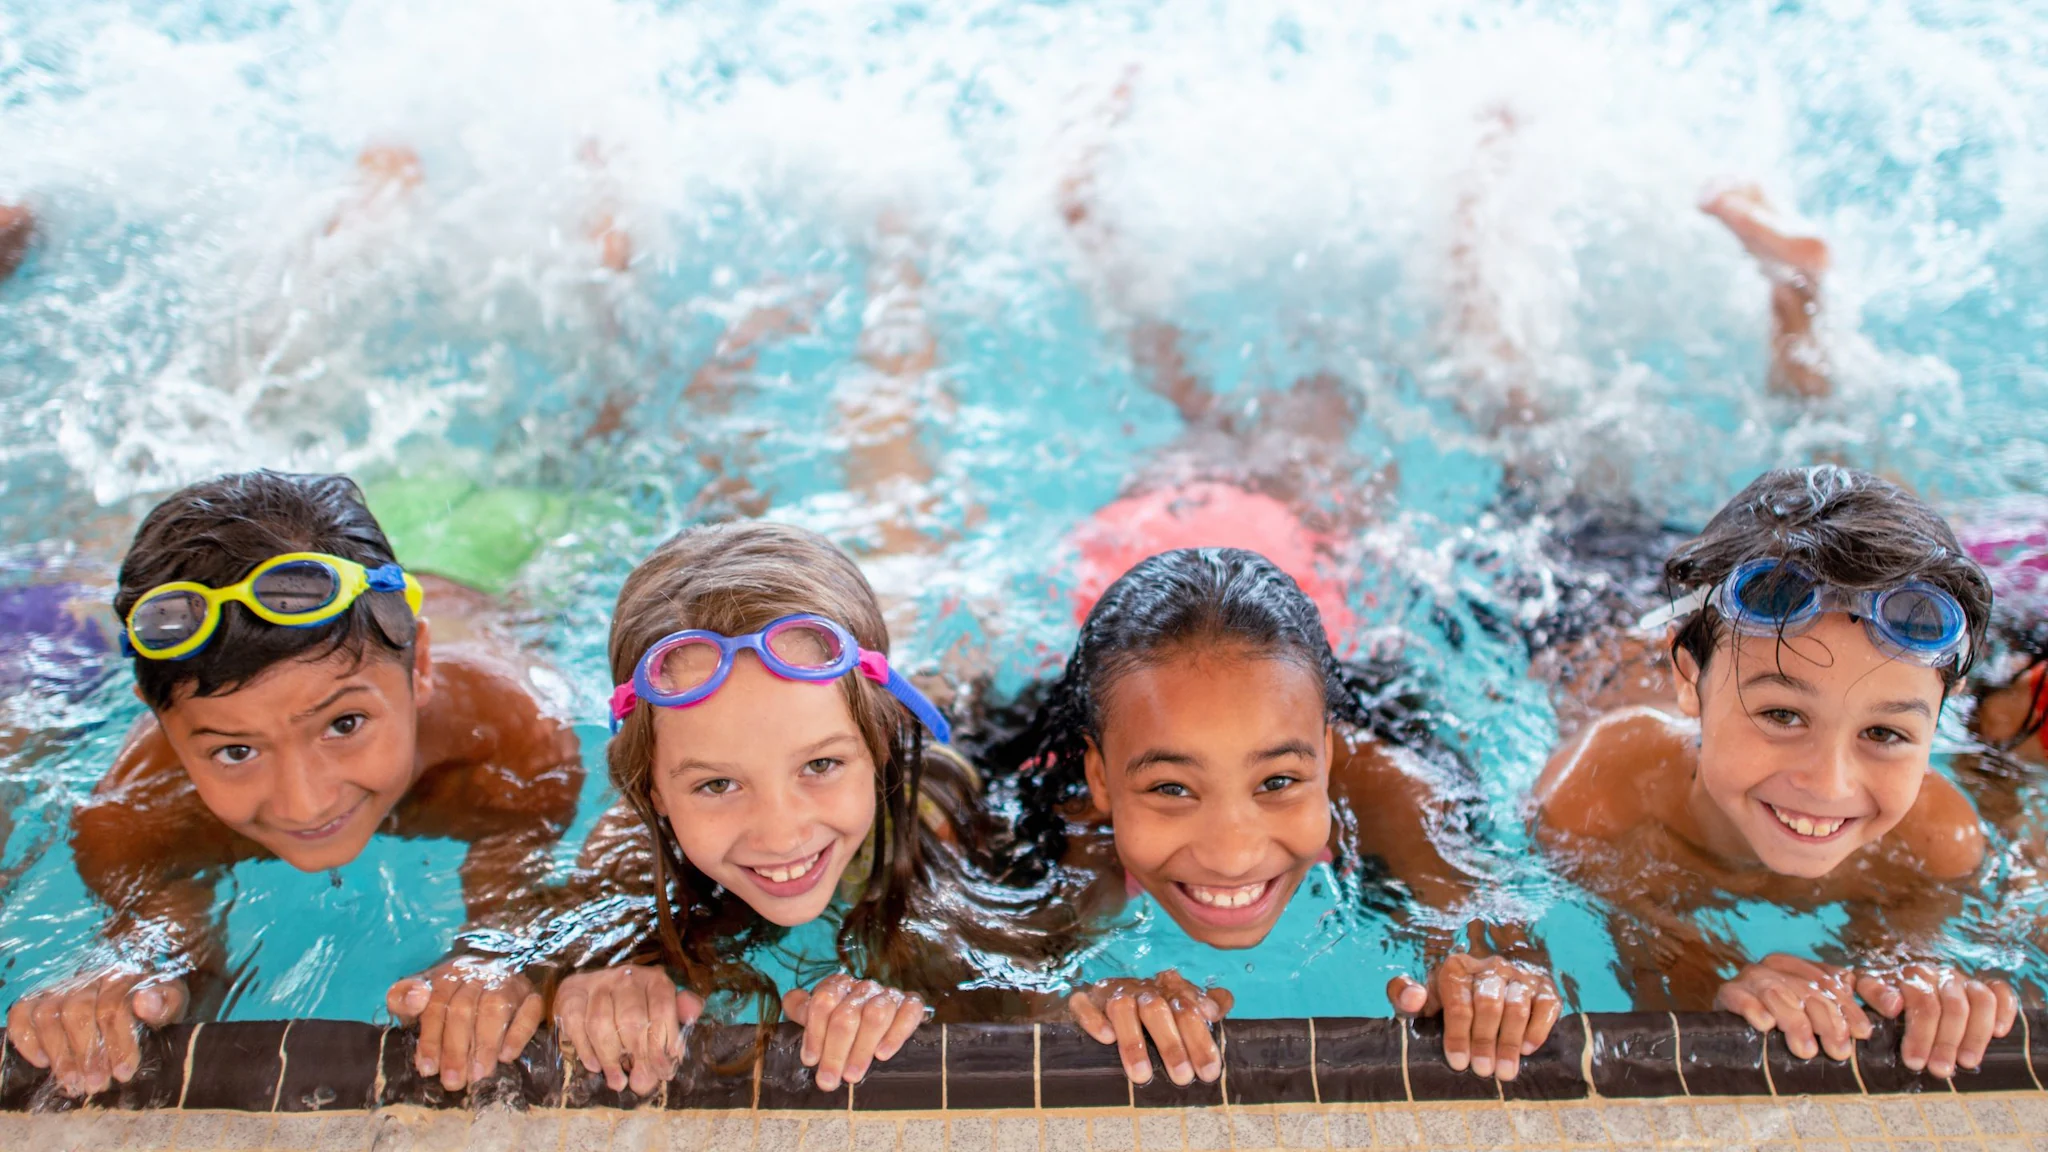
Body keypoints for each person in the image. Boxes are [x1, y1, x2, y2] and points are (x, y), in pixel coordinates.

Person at [4, 471, 583, 1098]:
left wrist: (496, 959)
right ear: (159, 719)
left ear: (418, 667)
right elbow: (168, 936)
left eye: (345, 722)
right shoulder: (129, 814)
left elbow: (515, 901)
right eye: (234, 749)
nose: (305, 801)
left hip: (482, 554)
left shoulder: (512, 739)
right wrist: (130, 973)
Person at [985, 547, 1560, 1087]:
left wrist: (1493, 983)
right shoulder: (1068, 829)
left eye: (1278, 781)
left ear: (1328, 757)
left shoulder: (1390, 791)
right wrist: (1089, 1004)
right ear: (1102, 779)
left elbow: (1491, 936)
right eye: (1171, 787)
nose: (1233, 856)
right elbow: (1018, 990)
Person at [1532, 465, 2015, 1080]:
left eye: (1885, 733)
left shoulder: (1937, 842)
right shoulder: (1605, 790)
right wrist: (1710, 993)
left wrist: (1926, 985)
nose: (1829, 784)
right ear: (1688, 679)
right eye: (1782, 714)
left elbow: (1905, 960)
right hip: (1582, 593)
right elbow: (1646, 953)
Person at [538, 521, 1048, 1098]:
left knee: (942, 620)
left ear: (878, 745)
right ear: (652, 790)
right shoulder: (624, 846)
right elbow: (537, 966)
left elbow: (1025, 998)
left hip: (965, 741)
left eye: (821, 765)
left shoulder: (938, 815)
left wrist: (908, 1000)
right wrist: (600, 984)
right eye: (717, 784)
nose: (781, 835)